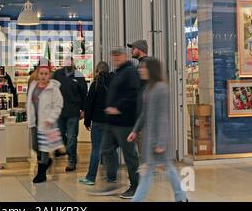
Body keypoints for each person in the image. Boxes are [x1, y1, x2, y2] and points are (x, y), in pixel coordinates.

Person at [127, 58, 188, 202]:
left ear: (151, 70)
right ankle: (181, 197)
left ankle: (180, 197)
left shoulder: (161, 88)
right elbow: (144, 114)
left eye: (143, 68)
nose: (140, 70)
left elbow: (162, 116)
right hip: (150, 138)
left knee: (157, 170)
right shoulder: (148, 88)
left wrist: (161, 142)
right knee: (156, 170)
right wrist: (135, 130)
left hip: (158, 140)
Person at [89, 47, 140, 199]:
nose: (116, 58)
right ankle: (112, 181)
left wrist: (119, 107)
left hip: (125, 122)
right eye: (114, 55)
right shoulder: (117, 73)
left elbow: (134, 95)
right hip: (112, 123)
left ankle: (136, 186)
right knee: (105, 149)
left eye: (119, 55)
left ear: (125, 56)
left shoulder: (130, 72)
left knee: (130, 156)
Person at [79, 61, 115, 186]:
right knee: (111, 150)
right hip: (111, 122)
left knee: (96, 149)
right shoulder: (114, 84)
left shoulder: (95, 85)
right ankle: (112, 177)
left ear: (96, 71)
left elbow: (89, 105)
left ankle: (91, 177)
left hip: (98, 122)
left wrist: (87, 122)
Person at [26, 64, 63, 183]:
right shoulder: (33, 85)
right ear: (38, 73)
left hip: (47, 123)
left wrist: (51, 119)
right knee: (35, 147)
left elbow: (58, 105)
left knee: (45, 148)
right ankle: (47, 162)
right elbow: (29, 102)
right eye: (41, 73)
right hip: (34, 121)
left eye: (46, 74)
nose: (43, 76)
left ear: (49, 75)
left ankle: (41, 173)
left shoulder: (53, 88)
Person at [53, 56, 87, 172]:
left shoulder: (79, 75)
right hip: (60, 111)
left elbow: (84, 94)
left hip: (73, 111)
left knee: (72, 137)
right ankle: (70, 151)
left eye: (70, 61)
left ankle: (72, 160)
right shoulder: (57, 74)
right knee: (61, 135)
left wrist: (83, 110)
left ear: (73, 63)